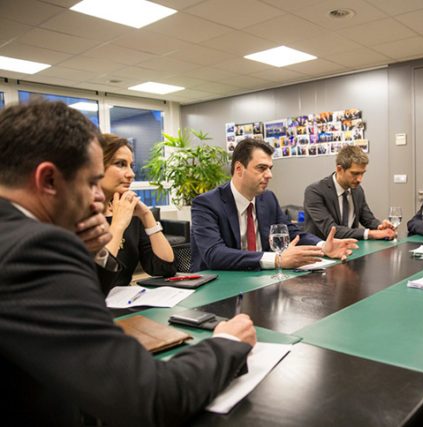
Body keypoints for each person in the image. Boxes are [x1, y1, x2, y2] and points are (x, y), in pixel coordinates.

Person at [0, 101, 256, 426]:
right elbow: (150, 398)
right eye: (91, 183)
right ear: (48, 180)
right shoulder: (35, 248)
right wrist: (227, 343)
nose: (97, 197)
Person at [191, 138, 358, 271]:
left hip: (261, 281)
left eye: (270, 168)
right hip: (218, 287)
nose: (269, 175)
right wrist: (277, 259)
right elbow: (214, 254)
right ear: (239, 169)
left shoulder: (267, 198)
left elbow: (291, 232)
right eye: (261, 168)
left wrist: (323, 246)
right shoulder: (206, 204)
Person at [99, 133, 176, 287]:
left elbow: (165, 268)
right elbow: (94, 279)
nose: (131, 174)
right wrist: (118, 225)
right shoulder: (74, 217)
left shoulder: (130, 212)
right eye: (120, 164)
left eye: (131, 166)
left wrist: (146, 216)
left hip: (124, 300)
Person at [303, 145, 396, 240]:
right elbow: (331, 230)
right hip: (320, 248)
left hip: (350, 246)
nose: (360, 179)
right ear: (339, 169)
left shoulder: (357, 190)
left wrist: (380, 226)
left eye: (362, 173)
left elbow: (368, 219)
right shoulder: (314, 192)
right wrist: (371, 233)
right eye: (355, 173)